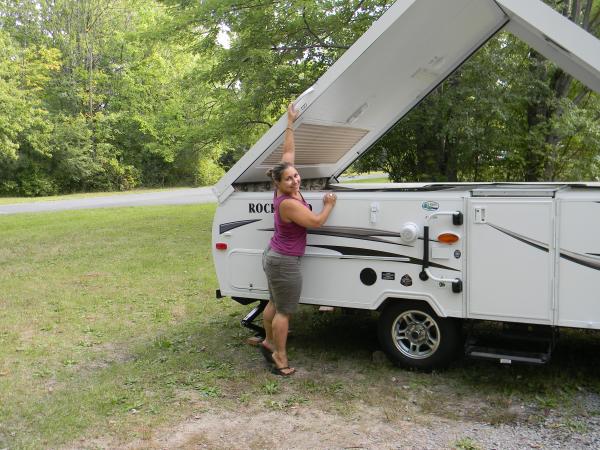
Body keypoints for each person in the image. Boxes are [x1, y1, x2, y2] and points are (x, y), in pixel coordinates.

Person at [260, 102, 337, 376]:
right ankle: (279, 357)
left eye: (296, 176)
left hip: (275, 258)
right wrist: (329, 203)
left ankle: (269, 342)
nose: (295, 180)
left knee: (274, 303)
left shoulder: (289, 190)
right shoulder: (288, 204)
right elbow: (315, 222)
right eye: (289, 179)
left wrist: (290, 122)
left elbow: (288, 153)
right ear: (278, 184)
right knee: (284, 311)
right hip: (284, 262)